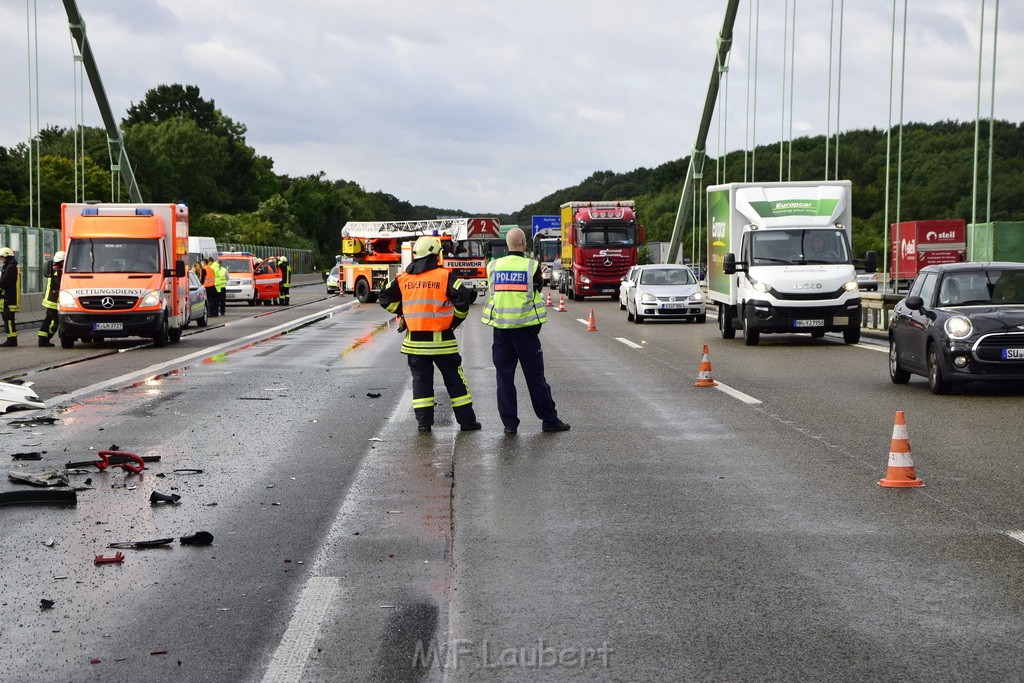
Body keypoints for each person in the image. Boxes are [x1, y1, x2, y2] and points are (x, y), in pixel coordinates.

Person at [379, 235, 481, 433]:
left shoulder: (403, 278)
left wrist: (404, 311)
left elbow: (384, 298)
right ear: (435, 254)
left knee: (421, 383)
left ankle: (424, 424)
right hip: (443, 342)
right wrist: (454, 321)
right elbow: (463, 301)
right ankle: (467, 422)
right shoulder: (445, 276)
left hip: (415, 345)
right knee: (454, 380)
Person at [481, 227, 570, 435]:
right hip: (526, 331)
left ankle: (509, 425)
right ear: (523, 243)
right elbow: (537, 287)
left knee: (504, 378)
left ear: (508, 244)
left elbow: (493, 290)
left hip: (501, 329)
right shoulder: (532, 266)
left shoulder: (493, 266)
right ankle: (549, 420)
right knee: (535, 377)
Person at [37, 250, 65, 347]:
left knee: (48, 319)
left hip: (49, 300)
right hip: (53, 301)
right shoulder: (58, 271)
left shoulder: (53, 269)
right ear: (62, 261)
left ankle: (42, 339)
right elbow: (60, 285)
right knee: (55, 321)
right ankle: (46, 338)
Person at [0, 246, 20, 347]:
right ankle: (11, 339)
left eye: (2, 257)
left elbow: (4, 282)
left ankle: (11, 340)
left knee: (8, 319)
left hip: (9, 299)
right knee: (8, 319)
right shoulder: (9, 267)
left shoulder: (10, 268)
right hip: (8, 298)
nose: (1, 260)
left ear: (7, 257)